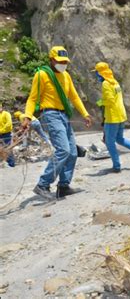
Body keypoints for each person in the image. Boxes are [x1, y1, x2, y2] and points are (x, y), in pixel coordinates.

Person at [22, 46, 92, 200]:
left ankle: (63, 186)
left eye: (65, 61)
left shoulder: (66, 76)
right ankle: (43, 184)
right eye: (60, 61)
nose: (63, 64)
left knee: (73, 152)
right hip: (51, 115)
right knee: (63, 150)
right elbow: (33, 98)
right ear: (51, 60)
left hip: (63, 115)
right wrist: (27, 116)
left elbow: (74, 97)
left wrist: (85, 114)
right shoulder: (41, 75)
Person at [93, 62, 130, 173]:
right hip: (121, 115)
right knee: (119, 139)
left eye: (97, 73)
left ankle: (116, 166)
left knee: (109, 142)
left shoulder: (106, 84)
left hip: (112, 117)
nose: (96, 76)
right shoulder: (115, 82)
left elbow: (109, 101)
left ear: (101, 73)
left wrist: (100, 102)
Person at [0, 103, 15, 167]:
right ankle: (4, 162)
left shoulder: (6, 113)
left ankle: (11, 163)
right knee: (1, 149)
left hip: (6, 134)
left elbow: (9, 123)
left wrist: (1, 130)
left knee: (8, 148)